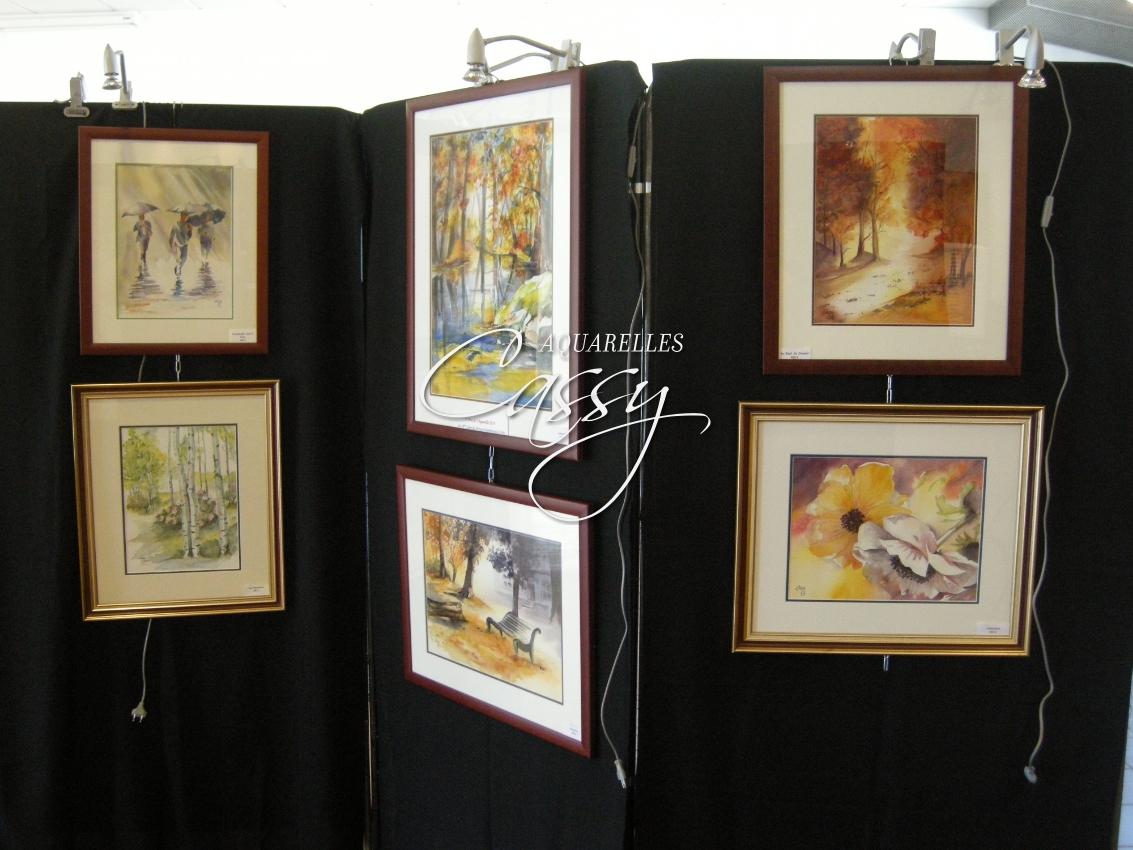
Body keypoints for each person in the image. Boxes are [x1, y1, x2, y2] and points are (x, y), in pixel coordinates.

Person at [168, 213, 193, 277]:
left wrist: (190, 230)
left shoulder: (187, 225)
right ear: (181, 216)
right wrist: (172, 244)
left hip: (185, 244)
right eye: (185, 216)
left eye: (186, 217)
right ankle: (178, 270)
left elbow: (189, 237)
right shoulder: (175, 226)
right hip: (178, 243)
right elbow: (171, 237)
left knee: (184, 258)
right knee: (179, 259)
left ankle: (178, 268)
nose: (186, 218)